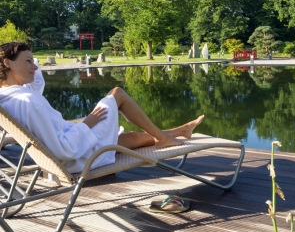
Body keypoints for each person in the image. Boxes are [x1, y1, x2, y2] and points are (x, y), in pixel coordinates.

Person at [0, 41, 204, 174]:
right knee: (117, 94)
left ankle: (179, 131)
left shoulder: (10, 97)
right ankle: (163, 138)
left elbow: (35, 85)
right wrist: (86, 124)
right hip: (77, 158)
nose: (35, 66)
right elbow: (62, 149)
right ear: (7, 63)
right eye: (29, 61)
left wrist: (26, 62)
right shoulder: (27, 103)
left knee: (131, 138)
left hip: (75, 147)